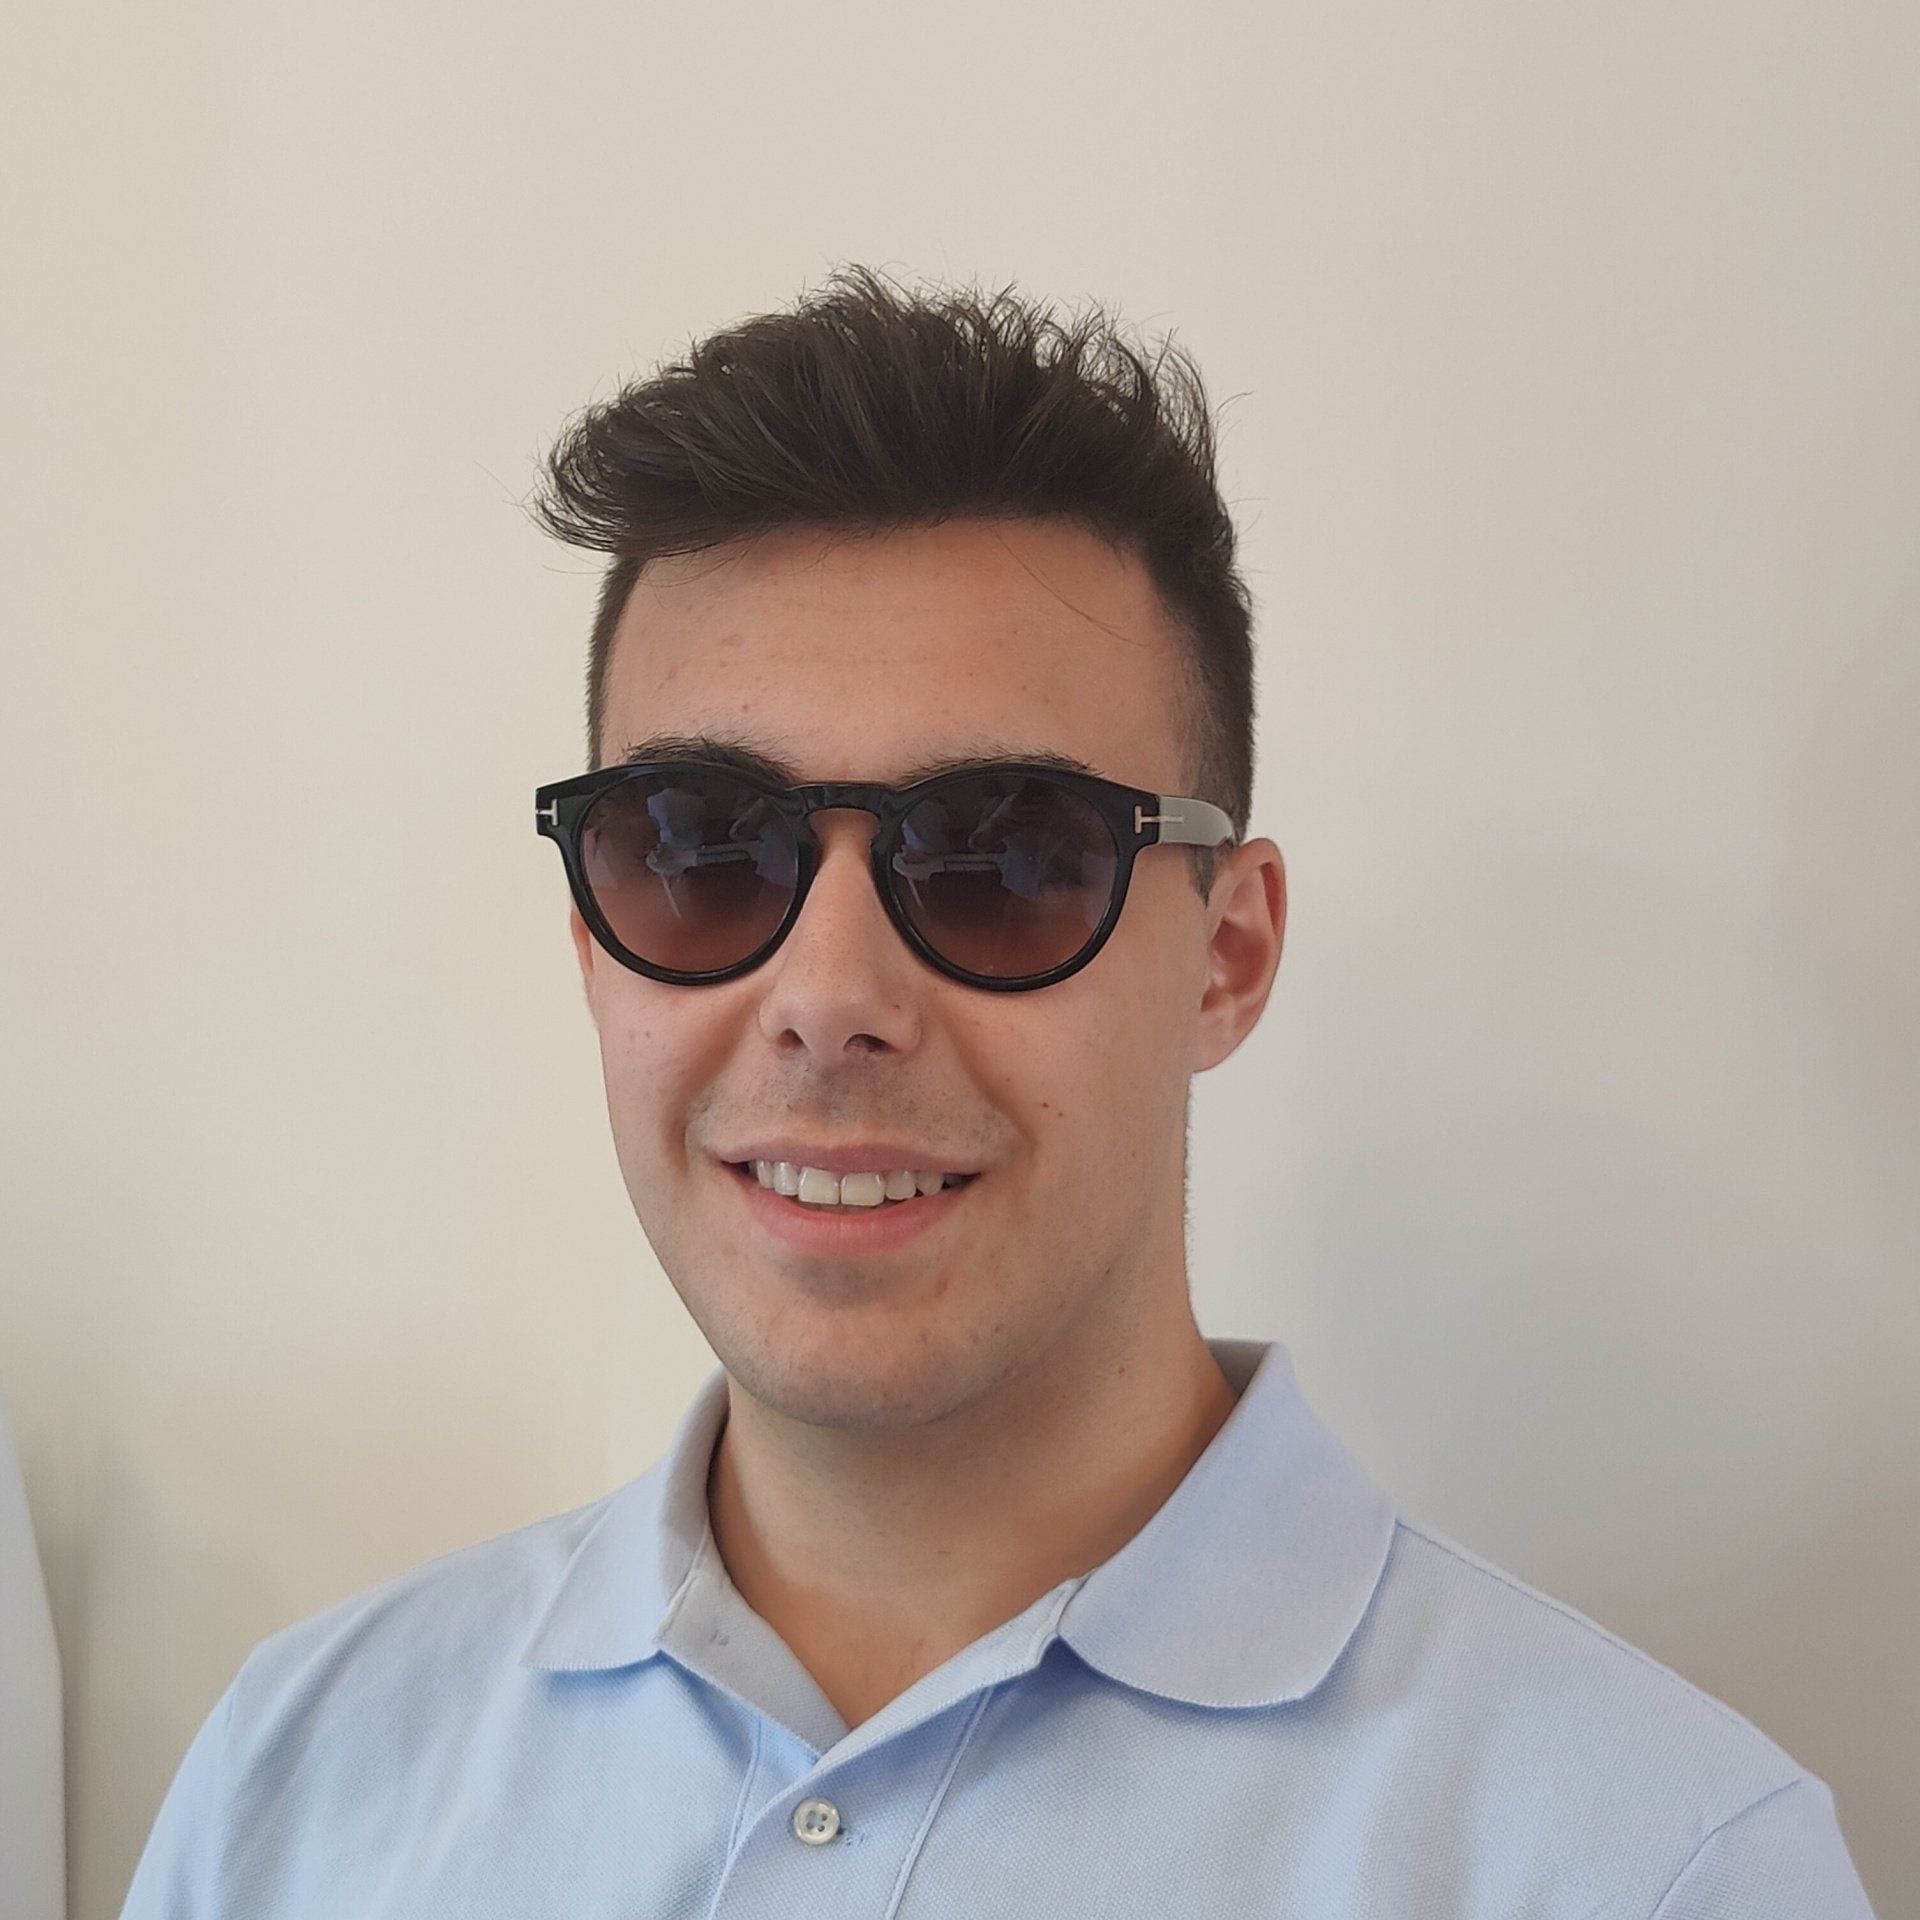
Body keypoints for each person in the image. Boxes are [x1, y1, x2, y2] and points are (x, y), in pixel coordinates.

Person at [120, 265, 1877, 1917]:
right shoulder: (298, 1781)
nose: (828, 1001)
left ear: (1227, 955)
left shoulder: (1653, 1866)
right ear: (592, 943)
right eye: (700, 849)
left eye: (1006, 858)